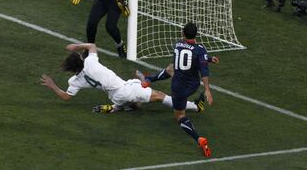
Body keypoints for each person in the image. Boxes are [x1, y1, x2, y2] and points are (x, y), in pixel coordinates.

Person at [40, 43, 204, 114]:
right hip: (125, 90)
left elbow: (66, 97)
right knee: (161, 96)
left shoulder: (74, 82)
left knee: (136, 101)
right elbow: (92, 46)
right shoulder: (90, 61)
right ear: (81, 60)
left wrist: (52, 85)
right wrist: (77, 47)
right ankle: (196, 107)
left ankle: (119, 106)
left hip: (115, 94)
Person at [158, 22, 213, 157]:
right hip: (193, 85)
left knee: (180, 116)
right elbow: (203, 70)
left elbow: (185, 58)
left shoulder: (177, 44)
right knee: (177, 74)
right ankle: (197, 104)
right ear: (196, 34)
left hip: (178, 88)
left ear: (183, 33)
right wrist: (207, 90)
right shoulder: (200, 49)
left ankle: (198, 138)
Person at [136, 56, 219, 88]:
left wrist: (209, 59)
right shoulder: (196, 48)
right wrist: (210, 59)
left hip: (188, 82)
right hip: (192, 81)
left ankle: (195, 106)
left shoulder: (182, 46)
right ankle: (148, 79)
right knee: (171, 68)